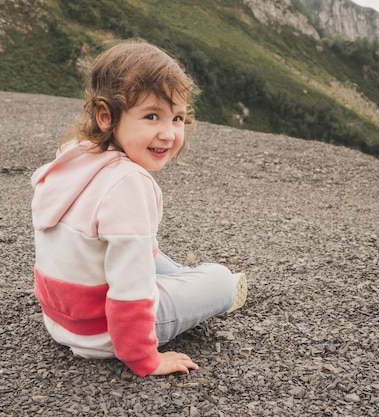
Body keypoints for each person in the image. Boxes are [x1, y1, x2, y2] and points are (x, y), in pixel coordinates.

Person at [30, 40, 247, 377]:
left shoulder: (75, 155)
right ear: (106, 116)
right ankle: (210, 286)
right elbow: (130, 289)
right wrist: (144, 358)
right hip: (102, 333)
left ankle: (188, 281)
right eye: (151, 116)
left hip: (61, 319)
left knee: (145, 251)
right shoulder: (129, 183)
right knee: (219, 280)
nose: (168, 133)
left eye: (176, 118)